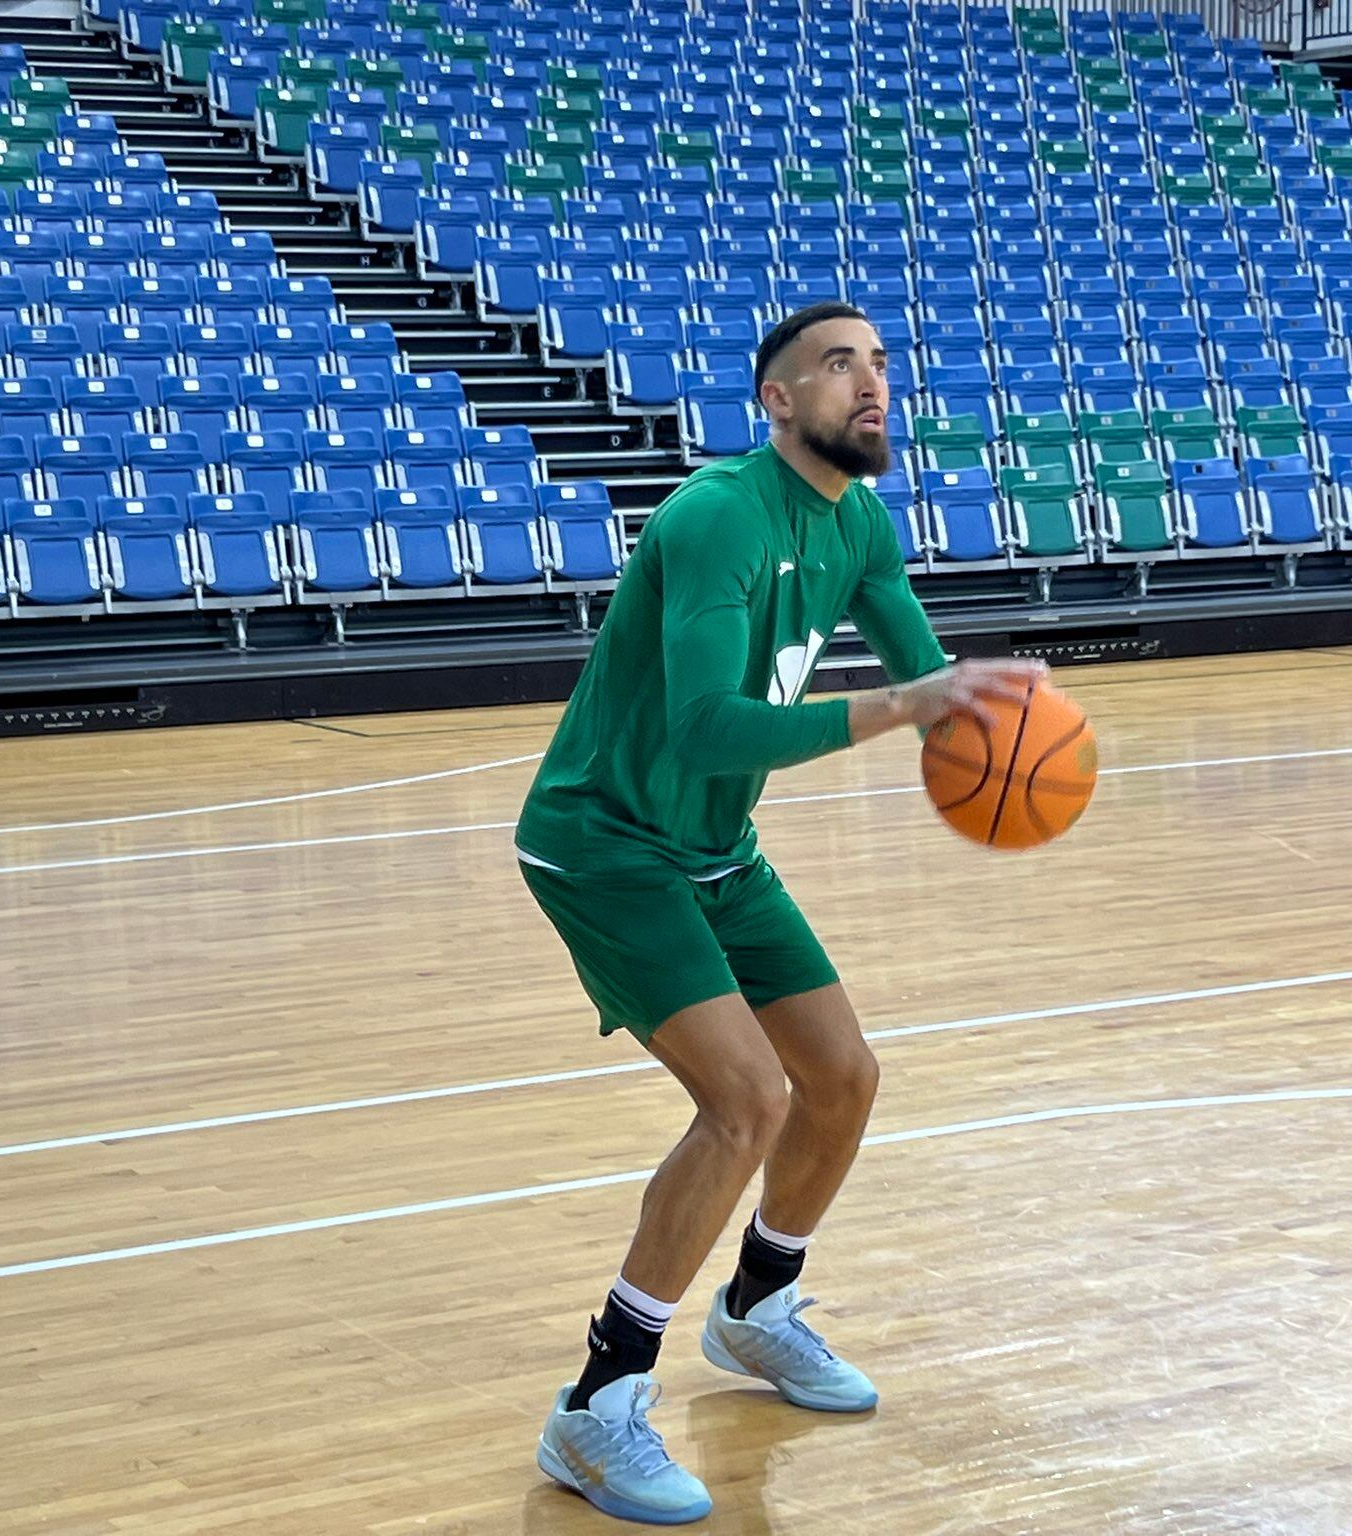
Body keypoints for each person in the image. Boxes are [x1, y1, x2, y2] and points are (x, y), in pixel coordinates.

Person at [517, 302, 1046, 1524]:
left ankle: (756, 1309)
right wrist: (903, 708)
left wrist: (1002, 749)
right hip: (603, 842)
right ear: (775, 402)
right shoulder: (715, 519)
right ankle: (593, 1408)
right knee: (745, 1100)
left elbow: (929, 683)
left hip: (712, 846)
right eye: (836, 366)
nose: (869, 385)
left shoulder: (856, 519)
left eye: (878, 366)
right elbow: (708, 726)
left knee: (843, 1080)